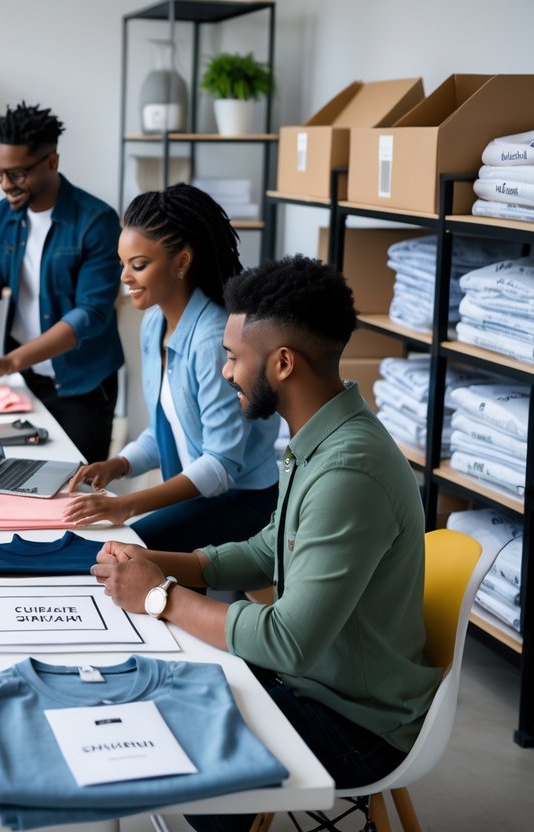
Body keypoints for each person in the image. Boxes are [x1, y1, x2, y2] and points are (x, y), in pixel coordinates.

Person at [91, 256, 442, 832]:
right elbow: (265, 549)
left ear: (281, 363)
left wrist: (161, 597)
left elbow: (289, 642)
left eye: (233, 357)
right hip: (315, 684)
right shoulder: (319, 435)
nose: (226, 372)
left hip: (354, 723)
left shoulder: (348, 472)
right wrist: (156, 562)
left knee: (160, 738)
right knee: (142, 693)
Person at [64, 184, 280, 552]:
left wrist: (126, 505)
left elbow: (221, 465)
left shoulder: (213, 339)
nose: (124, 278)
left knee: (126, 549)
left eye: (139, 265)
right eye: (123, 263)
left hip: (244, 500)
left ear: (181, 261)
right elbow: (167, 426)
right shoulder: (154, 323)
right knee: (112, 544)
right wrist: (118, 464)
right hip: (204, 491)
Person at [0, 102, 123, 464]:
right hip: (26, 383)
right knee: (23, 479)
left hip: (83, 386)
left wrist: (7, 362)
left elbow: (91, 314)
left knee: (77, 490)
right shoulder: (4, 217)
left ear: (52, 162)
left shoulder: (97, 221)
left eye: (17, 174)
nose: (5, 185)